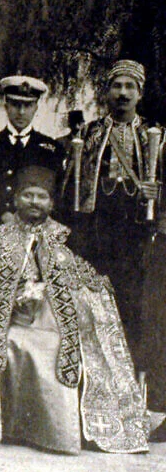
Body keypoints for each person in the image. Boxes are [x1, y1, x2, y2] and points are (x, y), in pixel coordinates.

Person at [0, 165, 148, 454]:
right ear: (15, 200)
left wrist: (48, 293)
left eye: (41, 197)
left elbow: (88, 288)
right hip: (11, 321)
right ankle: (12, 428)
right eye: (27, 195)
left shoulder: (67, 239)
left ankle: (55, 434)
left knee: (56, 350)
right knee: (7, 345)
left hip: (54, 323)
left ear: (51, 203)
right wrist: (10, 300)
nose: (34, 202)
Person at [63, 59, 162, 353]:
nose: (123, 93)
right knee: (93, 304)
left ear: (140, 93)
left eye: (130, 86)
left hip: (136, 232)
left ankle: (130, 376)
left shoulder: (157, 136)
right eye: (117, 86)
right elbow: (69, 186)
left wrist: (157, 191)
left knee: (132, 304)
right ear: (107, 91)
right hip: (96, 231)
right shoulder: (88, 134)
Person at [0, 75, 64, 244]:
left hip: (39, 235)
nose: (21, 112)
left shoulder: (51, 149)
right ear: (6, 106)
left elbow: (59, 194)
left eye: (28, 105)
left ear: (36, 108)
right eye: (15, 105)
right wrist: (1, 214)